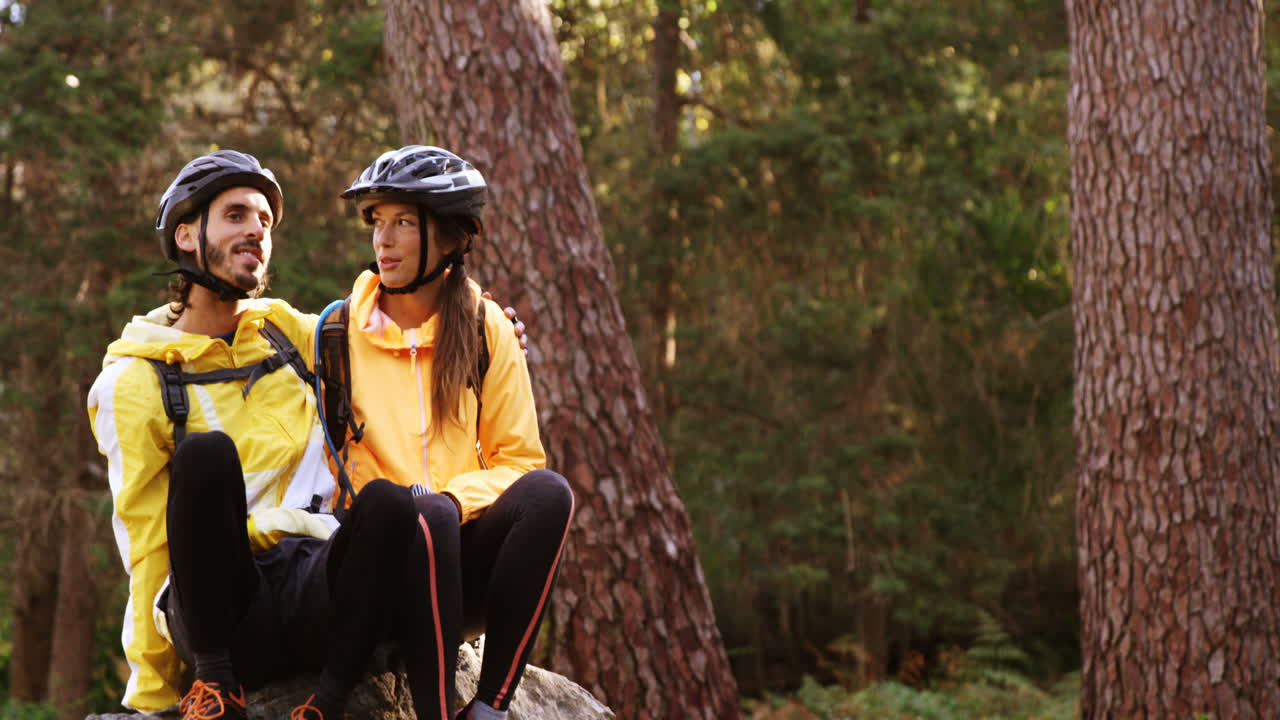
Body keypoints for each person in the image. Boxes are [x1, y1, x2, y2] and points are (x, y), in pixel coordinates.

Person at [85, 149, 530, 720]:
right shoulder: (135, 381)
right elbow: (146, 547)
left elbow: (392, 325)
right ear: (187, 236)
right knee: (205, 456)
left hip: (317, 590)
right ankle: (216, 691)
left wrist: (479, 323)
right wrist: (151, 697)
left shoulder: (289, 334)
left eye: (266, 222)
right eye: (237, 216)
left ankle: (334, 698)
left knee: (389, 503)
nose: (256, 232)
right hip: (224, 611)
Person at [319, 145, 576, 720]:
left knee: (550, 494)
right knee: (425, 515)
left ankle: (488, 707)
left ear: (453, 238)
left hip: (455, 562)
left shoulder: (489, 330)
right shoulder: (336, 331)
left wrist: (451, 501)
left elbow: (520, 461)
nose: (382, 240)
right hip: (375, 564)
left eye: (403, 223)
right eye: (376, 223)